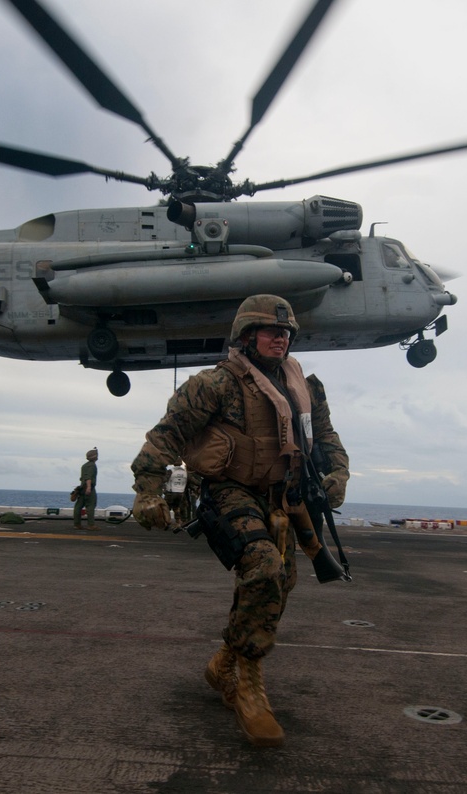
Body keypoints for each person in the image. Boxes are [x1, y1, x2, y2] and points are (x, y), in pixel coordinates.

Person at [130, 294, 350, 747]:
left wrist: (338, 473)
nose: (281, 338)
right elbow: (166, 435)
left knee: (278, 587)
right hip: (231, 491)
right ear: (246, 337)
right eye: (271, 330)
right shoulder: (215, 384)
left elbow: (326, 440)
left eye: (286, 332)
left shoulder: (305, 388)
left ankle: (222, 663)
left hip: (286, 499)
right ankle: (247, 684)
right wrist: (148, 492)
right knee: (264, 565)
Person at [73, 447, 99, 530]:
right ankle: (91, 525)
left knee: (78, 506)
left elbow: (82, 478)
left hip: (81, 487)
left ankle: (77, 524)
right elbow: (88, 477)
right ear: (94, 457)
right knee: (90, 506)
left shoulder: (84, 465)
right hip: (89, 487)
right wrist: (88, 487)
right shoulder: (92, 466)